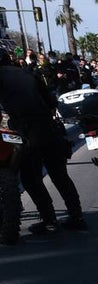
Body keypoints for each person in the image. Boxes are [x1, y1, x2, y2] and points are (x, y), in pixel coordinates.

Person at [0, 47, 85, 241]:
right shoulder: (28, 73)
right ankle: (76, 216)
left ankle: (49, 221)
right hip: (47, 128)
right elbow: (50, 101)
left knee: (31, 178)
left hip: (25, 131)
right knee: (59, 175)